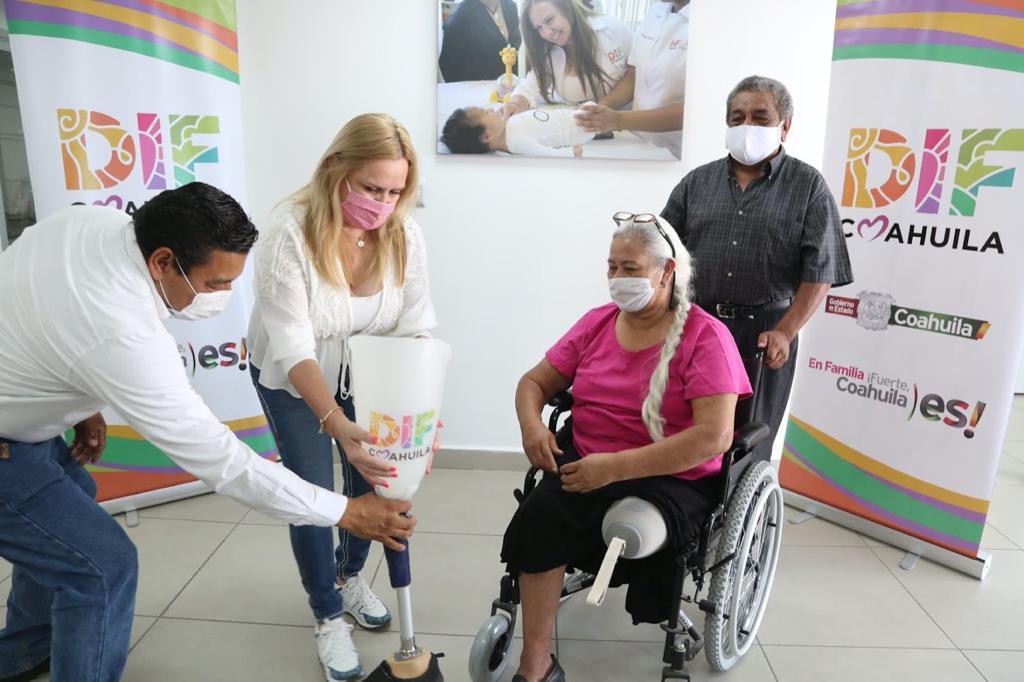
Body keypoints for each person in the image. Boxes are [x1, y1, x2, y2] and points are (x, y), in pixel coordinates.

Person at [0, 183, 414, 682]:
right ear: (162, 262)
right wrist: (345, 511)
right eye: (215, 283)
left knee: (67, 516)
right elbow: (224, 463)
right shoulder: (123, 331)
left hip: (24, 423)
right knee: (101, 567)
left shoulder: (90, 223)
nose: (224, 296)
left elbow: (32, 308)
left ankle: (23, 652)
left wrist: (78, 401)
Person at [501, 214, 751, 682]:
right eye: (612, 266)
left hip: (671, 478)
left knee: (632, 530)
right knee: (539, 519)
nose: (617, 278)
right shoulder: (596, 323)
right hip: (587, 460)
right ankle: (536, 662)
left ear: (666, 271)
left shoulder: (706, 336)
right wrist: (531, 427)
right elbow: (532, 382)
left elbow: (714, 436)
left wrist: (615, 468)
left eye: (630, 268)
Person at [247, 113, 437, 681]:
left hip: (371, 377)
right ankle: (327, 615)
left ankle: (348, 575)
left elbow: (416, 327)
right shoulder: (288, 233)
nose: (383, 204)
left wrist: (420, 416)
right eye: (372, 188)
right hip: (295, 378)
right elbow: (292, 347)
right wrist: (332, 419)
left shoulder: (403, 234)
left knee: (372, 484)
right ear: (336, 169)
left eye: (395, 192)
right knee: (311, 494)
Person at [660, 75, 853, 461]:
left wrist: (785, 331)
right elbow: (662, 252)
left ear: (785, 125)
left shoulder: (808, 186)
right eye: (738, 117)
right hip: (697, 325)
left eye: (760, 117)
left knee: (748, 441)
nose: (747, 125)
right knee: (685, 431)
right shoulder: (697, 183)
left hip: (764, 334)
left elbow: (822, 270)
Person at [574, 0, 690, 156]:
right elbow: (633, 77)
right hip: (639, 142)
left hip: (677, 151)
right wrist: (596, 111)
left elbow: (693, 111)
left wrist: (618, 120)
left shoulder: (710, 23)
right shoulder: (656, 11)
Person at [502, 0, 632, 116]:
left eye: (549, 20)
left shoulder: (611, 30)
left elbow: (634, 75)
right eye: (539, 28)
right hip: (580, 126)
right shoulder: (549, 52)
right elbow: (529, 86)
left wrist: (599, 108)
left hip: (624, 124)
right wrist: (514, 105)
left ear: (566, 7)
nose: (546, 33)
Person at [441, 105, 592, 157]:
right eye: (485, 113)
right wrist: (568, 153)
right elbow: (543, 153)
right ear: (486, 136)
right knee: (595, 111)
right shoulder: (516, 142)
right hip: (579, 128)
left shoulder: (505, 127)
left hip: (568, 115)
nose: (490, 109)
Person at [439, 0, 522, 83]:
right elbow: (449, 68)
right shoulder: (461, 15)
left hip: (509, 85)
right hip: (479, 87)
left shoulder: (510, 6)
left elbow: (514, 43)